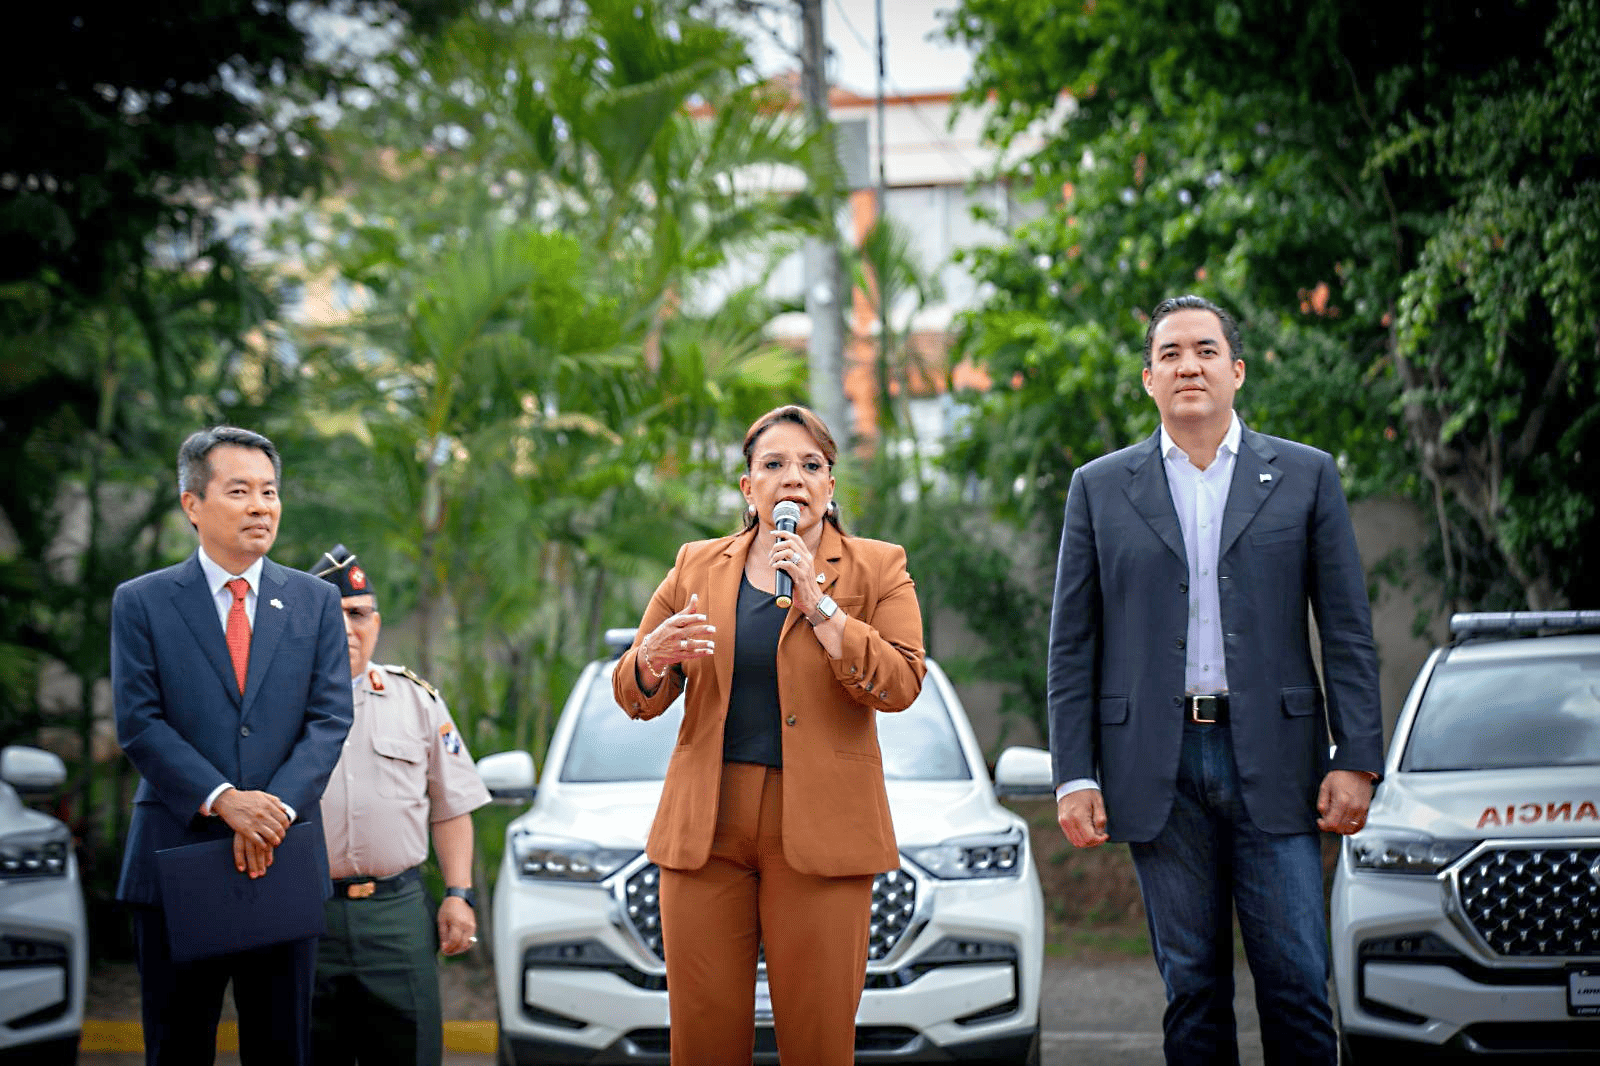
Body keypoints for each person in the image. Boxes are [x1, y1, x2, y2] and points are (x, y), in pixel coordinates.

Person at [1047, 295, 1385, 1066]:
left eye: (1204, 350)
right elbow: (1072, 644)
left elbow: (1347, 628)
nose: (1186, 365)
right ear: (1147, 379)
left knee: (1298, 983)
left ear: (1235, 371)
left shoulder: (1304, 475)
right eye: (1169, 354)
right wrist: (1074, 775)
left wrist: (1356, 755)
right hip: (1155, 769)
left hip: (1279, 760)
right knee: (1192, 991)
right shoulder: (1099, 488)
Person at [612, 404, 926, 1065]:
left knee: (817, 1042)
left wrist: (823, 607)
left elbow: (901, 682)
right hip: (707, 830)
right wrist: (650, 660)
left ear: (830, 486)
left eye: (811, 466)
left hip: (822, 830)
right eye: (774, 465)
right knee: (702, 1041)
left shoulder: (876, 567)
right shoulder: (697, 565)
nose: (794, 479)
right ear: (747, 488)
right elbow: (634, 692)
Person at [112, 426, 354, 1066]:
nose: (260, 506)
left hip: (282, 856)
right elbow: (139, 723)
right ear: (193, 504)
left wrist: (269, 809)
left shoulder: (316, 601)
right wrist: (224, 801)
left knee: (281, 1049)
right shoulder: (142, 603)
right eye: (240, 490)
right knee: (177, 1046)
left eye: (269, 492)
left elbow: (330, 719)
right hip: (175, 861)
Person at [308, 544, 490, 1066]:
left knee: (410, 1052)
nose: (348, 628)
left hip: (396, 915)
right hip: (305, 913)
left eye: (359, 614)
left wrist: (458, 893)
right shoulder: (278, 706)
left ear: (377, 622)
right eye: (332, 615)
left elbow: (451, 805)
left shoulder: (417, 701)